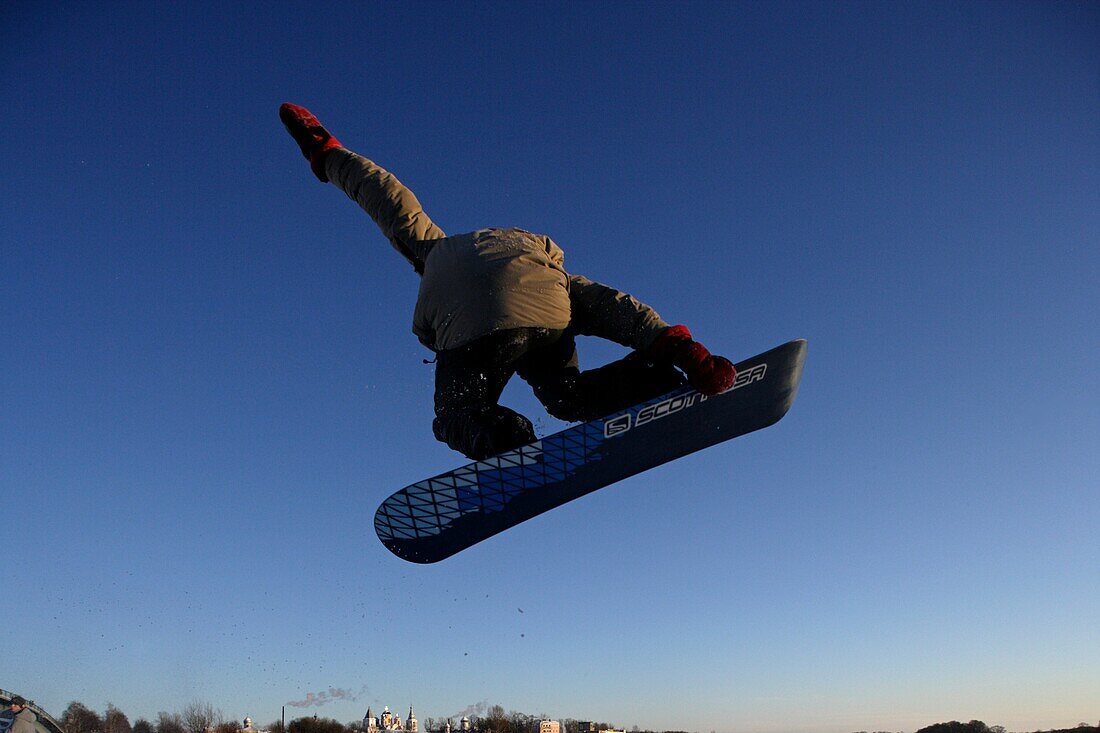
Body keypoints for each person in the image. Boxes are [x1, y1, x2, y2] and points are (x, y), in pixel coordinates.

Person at [279, 102, 736, 460]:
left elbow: (382, 194)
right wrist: (680, 349)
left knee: (457, 413)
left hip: (471, 334)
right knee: (565, 396)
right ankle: (654, 382)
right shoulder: (539, 264)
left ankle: (504, 437)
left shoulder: (433, 252)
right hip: (547, 313)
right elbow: (611, 306)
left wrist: (325, 150)